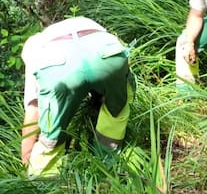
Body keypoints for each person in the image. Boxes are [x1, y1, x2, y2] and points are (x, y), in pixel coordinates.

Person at [20, 17, 135, 176]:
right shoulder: (86, 24)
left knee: (50, 138)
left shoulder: (37, 50)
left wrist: (26, 156)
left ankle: (43, 180)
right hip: (107, 52)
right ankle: (107, 166)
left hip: (59, 67)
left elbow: (34, 108)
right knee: (117, 109)